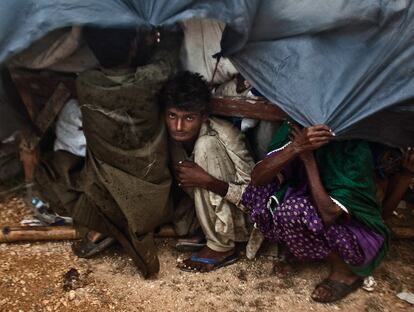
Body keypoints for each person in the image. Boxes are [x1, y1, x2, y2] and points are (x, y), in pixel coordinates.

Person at [37, 25, 182, 278]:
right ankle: (119, 226)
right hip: (153, 200)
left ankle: (105, 226)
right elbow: (168, 49)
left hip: (105, 194)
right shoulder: (151, 79)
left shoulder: (86, 83)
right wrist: (168, 28)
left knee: (53, 168)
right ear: (135, 46)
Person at [242, 119, 389, 302]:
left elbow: (329, 214)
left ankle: (346, 274)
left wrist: (308, 159)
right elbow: (258, 179)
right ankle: (300, 252)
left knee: (294, 211)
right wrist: (295, 147)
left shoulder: (354, 148)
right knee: (260, 191)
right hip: (310, 198)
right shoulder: (295, 129)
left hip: (353, 227)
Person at [158, 71, 255, 272]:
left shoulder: (224, 136)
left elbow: (254, 198)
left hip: (241, 219)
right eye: (172, 116)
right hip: (200, 210)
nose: (178, 126)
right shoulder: (169, 135)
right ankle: (205, 231)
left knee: (205, 146)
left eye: (189, 118)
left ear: (204, 116)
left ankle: (221, 246)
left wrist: (208, 181)